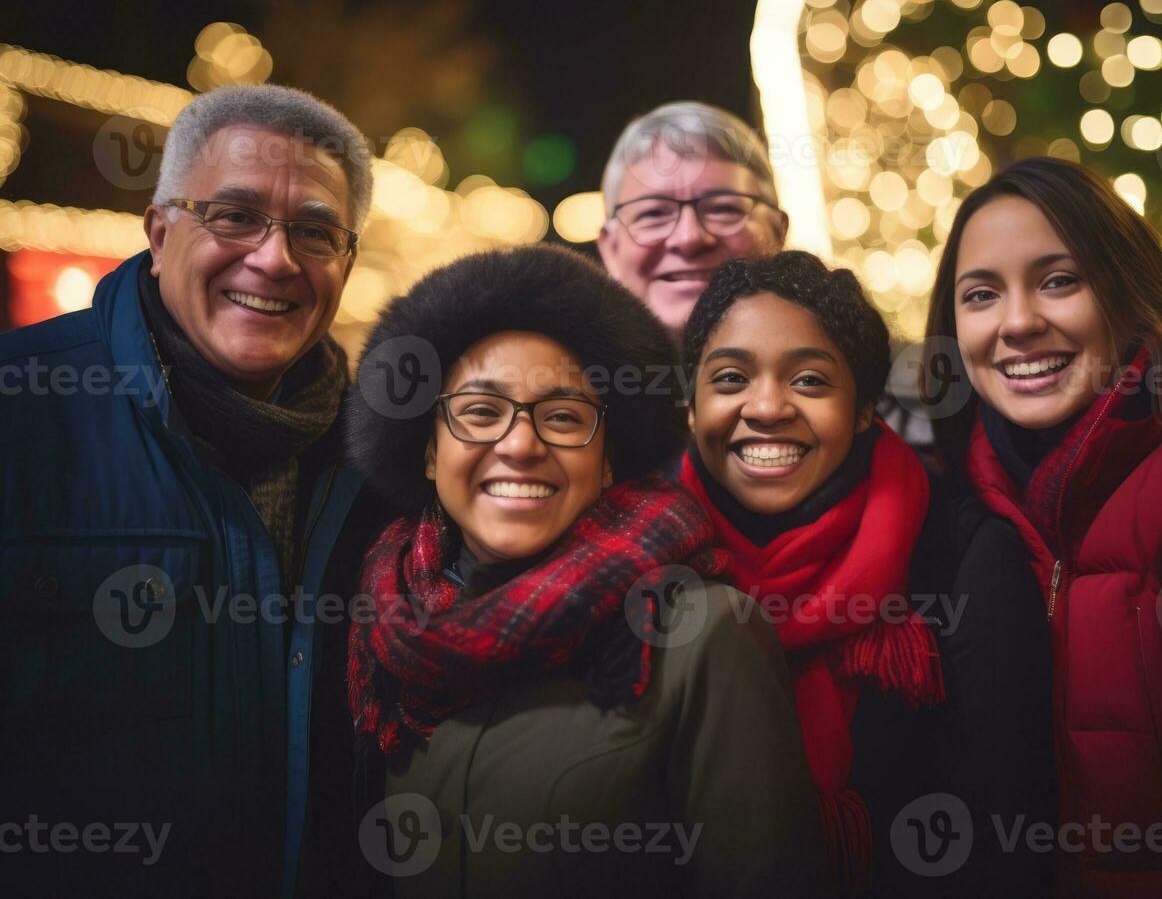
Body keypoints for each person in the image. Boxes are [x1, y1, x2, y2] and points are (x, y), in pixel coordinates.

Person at [344, 244, 829, 898]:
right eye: (481, 413)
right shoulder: (384, 635)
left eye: (563, 417)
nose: (519, 445)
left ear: (607, 459)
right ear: (429, 450)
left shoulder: (702, 634)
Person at [0, 84, 387, 896]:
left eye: (315, 231)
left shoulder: (381, 465)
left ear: (347, 262)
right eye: (234, 216)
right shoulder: (22, 412)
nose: (275, 259)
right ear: (160, 229)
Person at [924, 156, 1162, 896]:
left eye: (1059, 280)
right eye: (980, 295)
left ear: (1125, 288)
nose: (1019, 322)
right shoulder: (974, 509)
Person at [673, 251, 1056, 895]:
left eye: (811, 382)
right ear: (691, 407)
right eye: (731, 379)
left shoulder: (961, 556)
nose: (766, 407)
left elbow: (1007, 834)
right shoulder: (646, 562)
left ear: (863, 411)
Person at [596, 101, 789, 337]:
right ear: (610, 248)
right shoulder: (566, 371)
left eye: (723, 209)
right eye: (653, 214)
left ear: (778, 232)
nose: (688, 238)